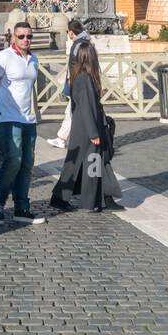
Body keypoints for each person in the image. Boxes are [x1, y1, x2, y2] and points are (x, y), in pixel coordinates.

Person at [49, 40, 121, 212]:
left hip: (82, 127)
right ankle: (89, 200)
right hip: (87, 129)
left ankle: (98, 197)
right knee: (90, 163)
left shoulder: (79, 77)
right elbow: (87, 108)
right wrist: (94, 133)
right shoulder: (85, 79)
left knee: (83, 164)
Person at [0, 20, 46, 225]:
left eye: (29, 36)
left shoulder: (34, 59)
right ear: (13, 37)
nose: (26, 40)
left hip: (28, 118)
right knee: (14, 160)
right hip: (8, 117)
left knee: (27, 163)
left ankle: (22, 206)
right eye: (21, 36)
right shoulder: (3, 57)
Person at [47, 19, 84, 150]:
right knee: (73, 112)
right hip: (82, 84)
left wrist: (69, 83)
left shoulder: (77, 45)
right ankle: (64, 138)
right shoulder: (86, 43)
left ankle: (62, 139)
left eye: (68, 31)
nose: (68, 33)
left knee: (71, 112)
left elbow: (74, 66)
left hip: (78, 85)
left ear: (72, 32)